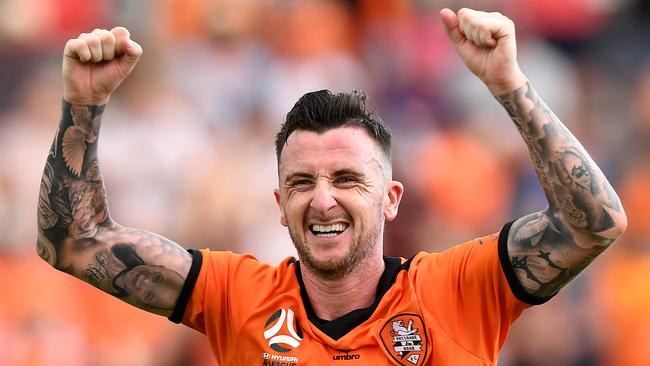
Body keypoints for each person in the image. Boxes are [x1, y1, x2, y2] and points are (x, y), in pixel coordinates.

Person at [37, 8, 627, 365]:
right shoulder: (234, 296)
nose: (322, 198)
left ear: (392, 198)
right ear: (279, 205)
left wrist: (509, 86)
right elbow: (73, 241)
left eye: (346, 178)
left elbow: (595, 223)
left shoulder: (460, 290)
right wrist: (83, 106)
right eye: (300, 182)